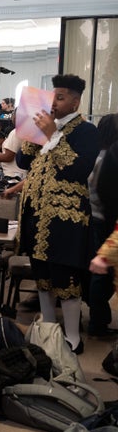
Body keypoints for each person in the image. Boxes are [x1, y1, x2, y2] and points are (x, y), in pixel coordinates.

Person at [17, 74, 99, 353]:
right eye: (53, 96)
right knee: (42, 277)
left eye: (61, 97)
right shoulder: (44, 127)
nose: (54, 101)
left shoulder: (86, 131)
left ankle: (73, 339)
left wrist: (52, 134)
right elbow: (22, 161)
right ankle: (48, 333)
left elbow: (77, 170)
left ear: (75, 101)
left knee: (66, 279)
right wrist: (31, 131)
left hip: (66, 218)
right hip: (37, 215)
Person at [86, 114, 118, 336]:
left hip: (95, 218)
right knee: (102, 273)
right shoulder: (108, 159)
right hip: (103, 220)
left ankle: (99, 319)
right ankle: (98, 322)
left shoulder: (94, 155)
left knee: (101, 272)